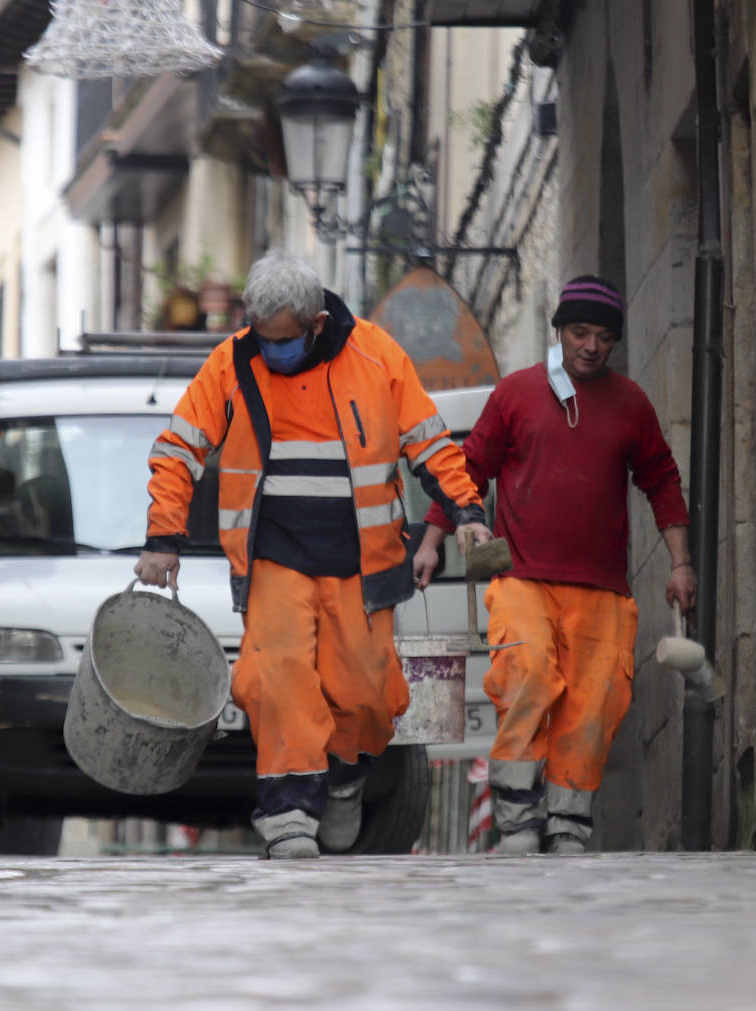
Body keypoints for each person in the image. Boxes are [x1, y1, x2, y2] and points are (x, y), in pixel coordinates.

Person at [135, 250, 490, 859]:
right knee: (278, 677)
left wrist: (468, 512)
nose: (271, 351)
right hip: (274, 557)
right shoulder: (234, 361)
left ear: (316, 323)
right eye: (261, 337)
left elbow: (428, 441)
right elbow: (179, 447)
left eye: (283, 341)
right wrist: (163, 538)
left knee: (366, 697)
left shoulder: (377, 356)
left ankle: (345, 778)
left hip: (361, 563)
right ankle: (288, 815)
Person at [413, 275, 697, 855]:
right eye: (579, 333)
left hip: (602, 588)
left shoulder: (632, 404)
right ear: (560, 332)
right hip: (521, 577)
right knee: (528, 675)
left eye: (602, 337)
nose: (590, 346)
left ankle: (568, 825)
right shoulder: (516, 394)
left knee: (593, 706)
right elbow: (468, 472)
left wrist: (681, 563)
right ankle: (518, 817)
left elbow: (662, 480)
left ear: (615, 341)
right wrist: (430, 541)